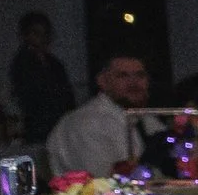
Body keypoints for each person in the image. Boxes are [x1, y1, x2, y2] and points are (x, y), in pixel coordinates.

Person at [45, 49, 150, 178]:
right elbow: (103, 182)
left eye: (140, 75)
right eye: (123, 76)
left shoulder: (147, 119)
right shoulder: (85, 123)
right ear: (102, 81)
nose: (134, 83)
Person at [8, 11, 75, 145]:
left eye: (45, 33)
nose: (42, 38)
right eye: (36, 33)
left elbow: (67, 94)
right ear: (26, 35)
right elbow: (30, 98)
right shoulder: (22, 64)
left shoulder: (54, 63)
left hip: (61, 125)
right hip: (38, 128)